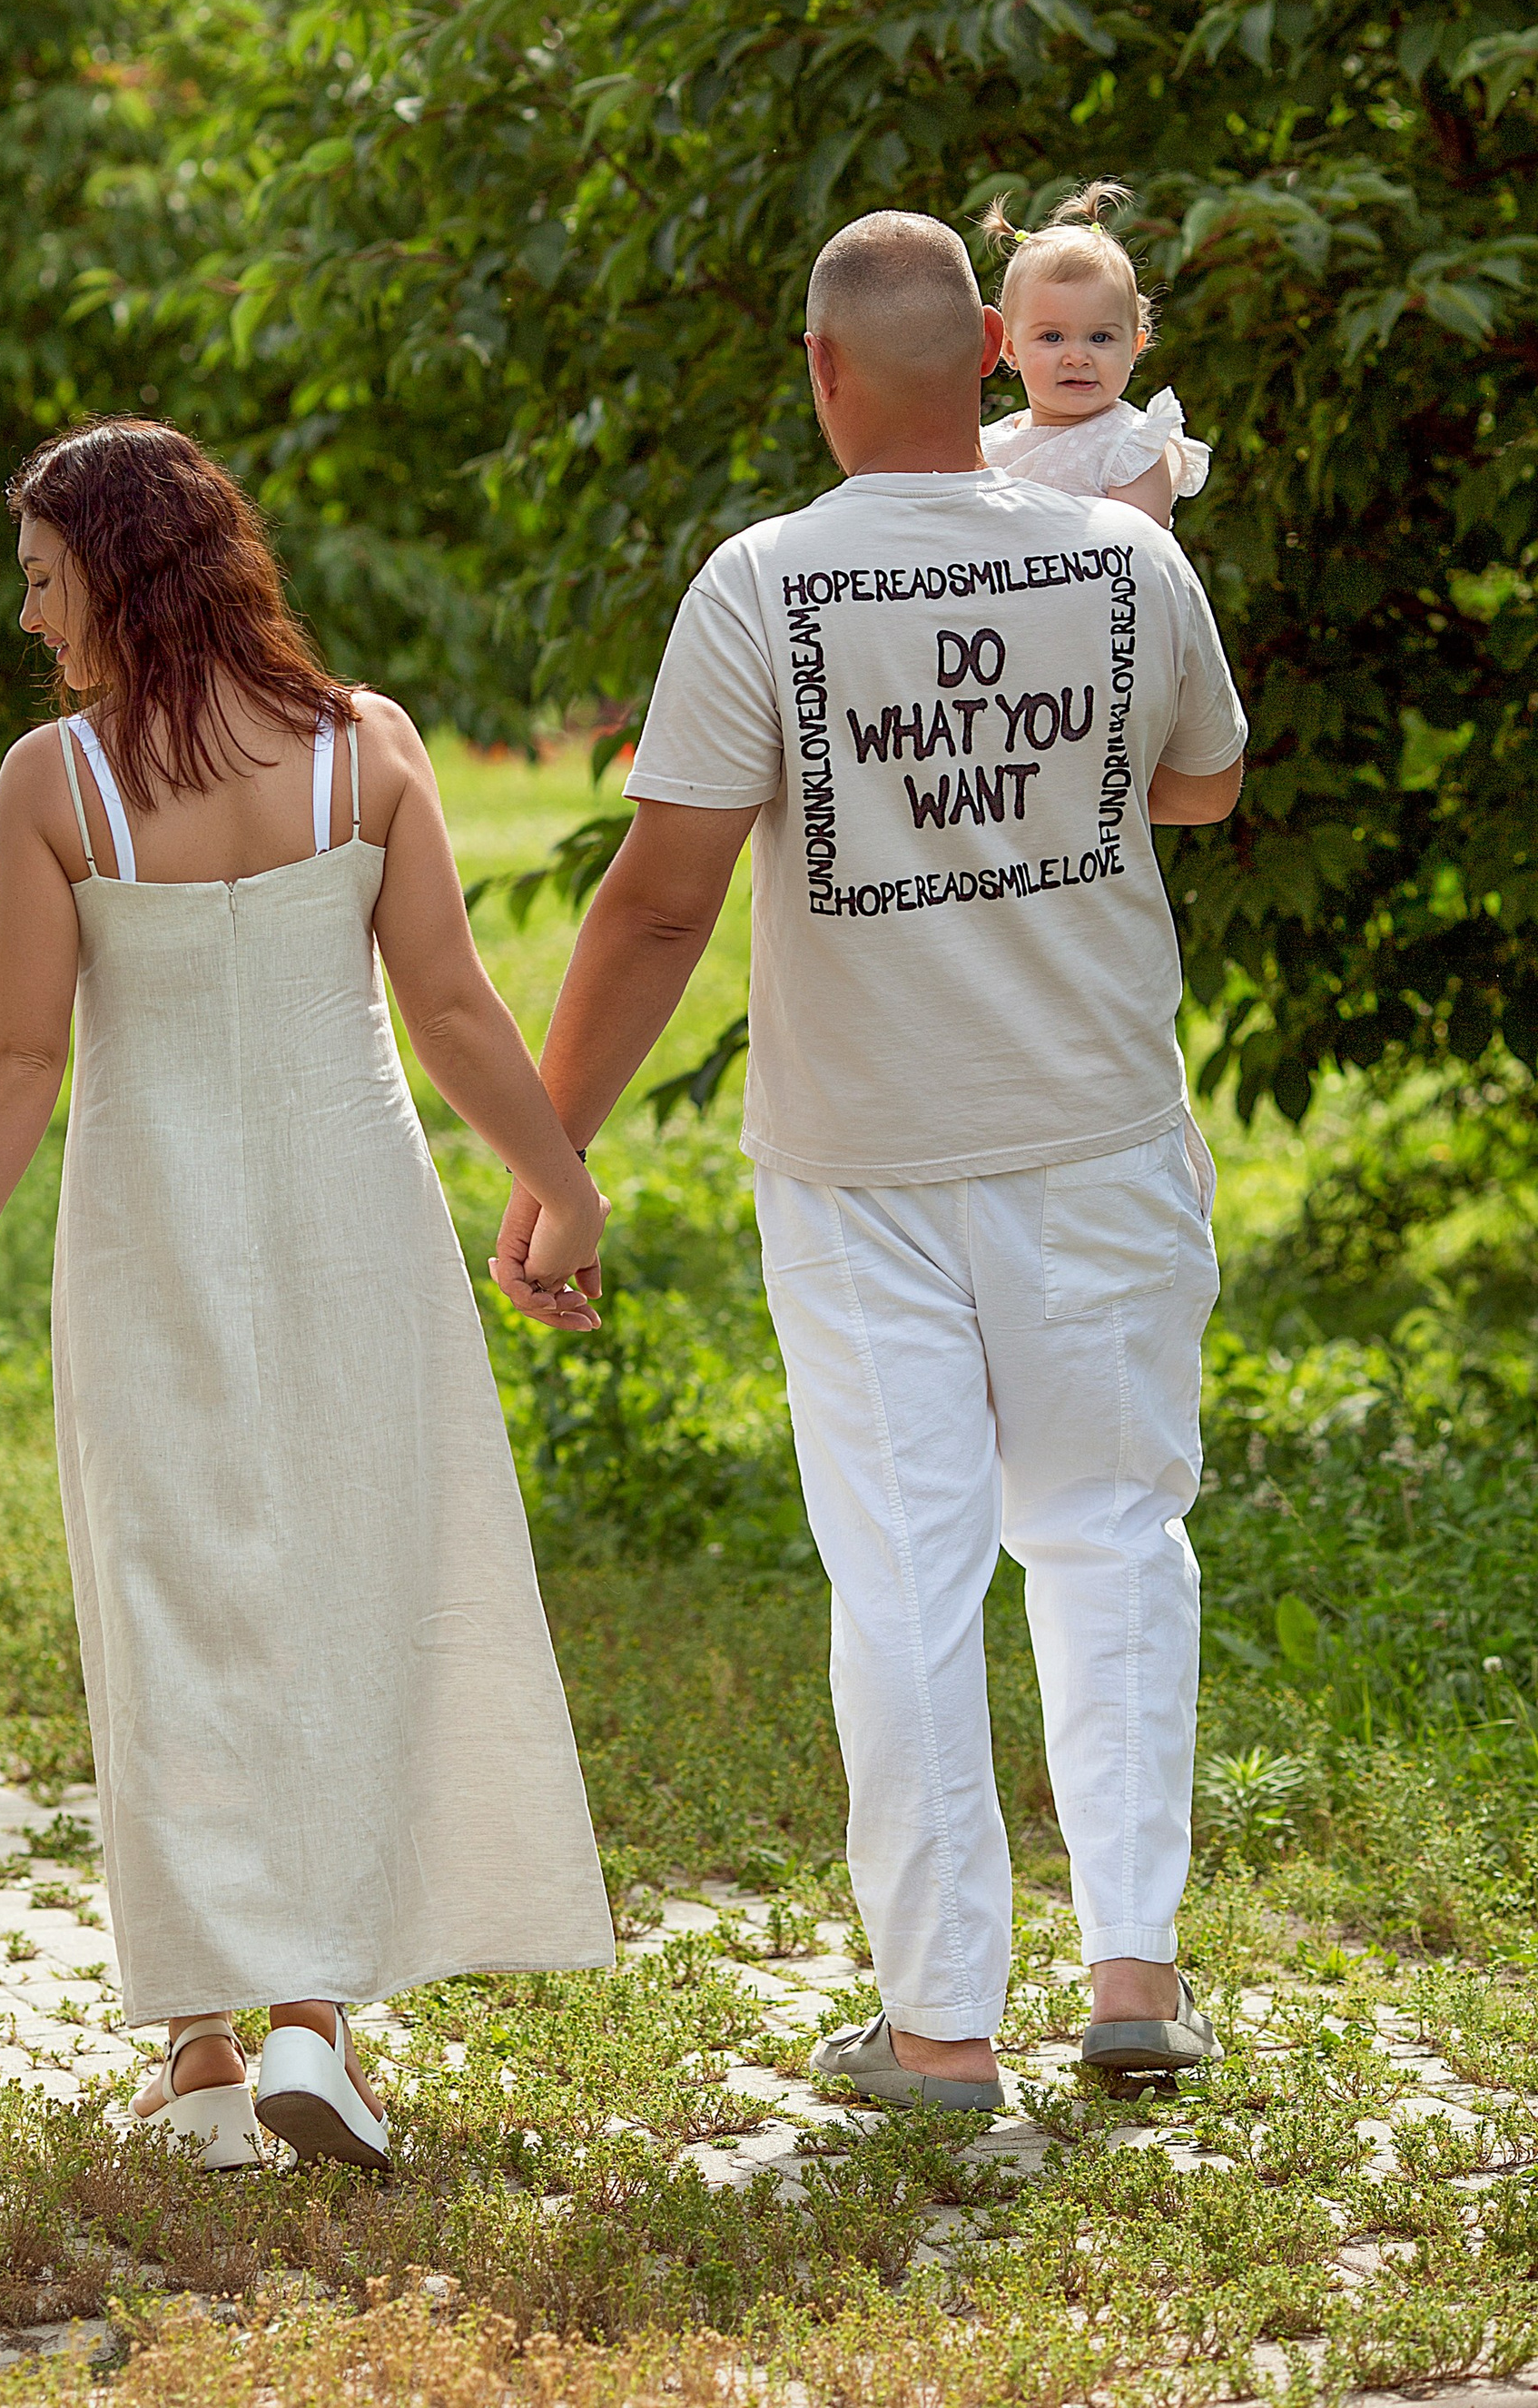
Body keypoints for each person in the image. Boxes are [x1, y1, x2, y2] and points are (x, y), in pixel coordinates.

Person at [496, 211, 1247, 2109]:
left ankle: (936, 2029)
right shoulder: (1127, 556)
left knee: (903, 1577)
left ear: (821, 371)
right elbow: (1202, 784)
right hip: (1096, 1133)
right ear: (992, 346)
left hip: (858, 1168)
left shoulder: (760, 581)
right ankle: (1133, 1975)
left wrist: (546, 1147)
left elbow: (658, 906)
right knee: (1110, 1536)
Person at [0, 417, 616, 2176]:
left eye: (44, 582)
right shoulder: (365, 749)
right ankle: (310, 2024)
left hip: (152, 1241)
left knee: (172, 1599)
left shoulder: (59, 782)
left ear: (112, 576)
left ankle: (205, 2047)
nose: (32, 620)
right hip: (354, 1227)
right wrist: (559, 1189)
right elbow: (446, 1009)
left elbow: (18, 1052)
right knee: (351, 1588)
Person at [980, 182, 1210, 528]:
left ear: (1134, 348)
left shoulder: (1129, 449)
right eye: (1052, 336)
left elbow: (1137, 557)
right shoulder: (986, 447)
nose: (1077, 357)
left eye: (1100, 337)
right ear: (1010, 349)